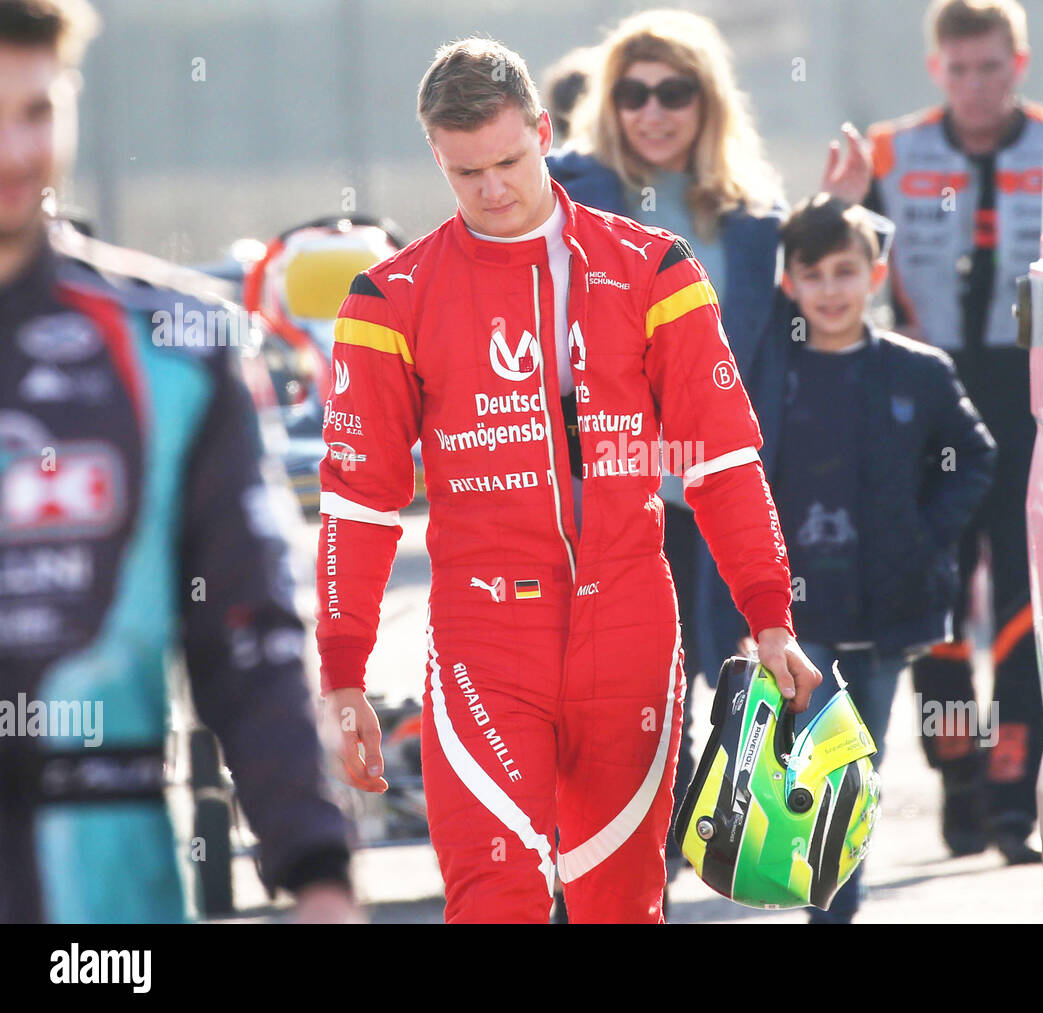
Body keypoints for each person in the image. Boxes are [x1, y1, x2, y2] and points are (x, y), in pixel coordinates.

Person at [315, 37, 820, 924]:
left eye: (509, 160)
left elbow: (725, 460)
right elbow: (360, 500)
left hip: (627, 626)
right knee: (492, 901)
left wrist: (768, 616)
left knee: (621, 906)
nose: (493, 188)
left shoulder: (655, 267)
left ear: (544, 132)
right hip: (482, 635)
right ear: (437, 155)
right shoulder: (388, 298)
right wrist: (343, 668)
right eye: (465, 171)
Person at [0, 0, 354, 923]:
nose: (12, 153)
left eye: (34, 113)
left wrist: (318, 870)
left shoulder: (176, 343)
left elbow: (250, 633)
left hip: (111, 907)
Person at [544, 7, 789, 899]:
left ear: (705, 101)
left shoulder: (751, 218)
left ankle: (700, 838)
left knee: (718, 667)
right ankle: (615, 844)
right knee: (624, 677)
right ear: (610, 101)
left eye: (673, 92)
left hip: (711, 481)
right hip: (604, 488)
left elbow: (783, 347)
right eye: (634, 92)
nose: (653, 110)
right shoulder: (563, 191)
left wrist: (847, 208)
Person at [765, 193, 996, 921]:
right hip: (799, 611)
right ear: (790, 283)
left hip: (890, 608)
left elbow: (975, 459)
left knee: (858, 767)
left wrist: (926, 536)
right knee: (809, 762)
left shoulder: (918, 372)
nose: (830, 289)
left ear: (877, 272)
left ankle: (835, 907)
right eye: (814, 274)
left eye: (845, 270)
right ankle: (822, 902)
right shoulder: (774, 375)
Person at [856, 0, 1043, 864]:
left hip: (1032, 398)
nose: (977, 87)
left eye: (992, 68)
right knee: (932, 598)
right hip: (927, 404)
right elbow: (826, 262)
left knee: (1024, 601)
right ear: (937, 69)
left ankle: (1015, 791)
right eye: (960, 69)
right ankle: (958, 767)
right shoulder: (892, 154)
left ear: (1020, 62)